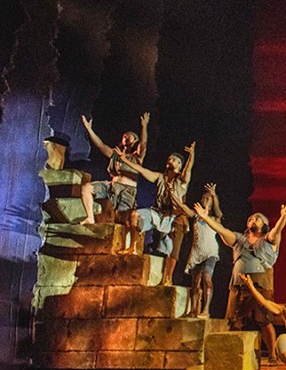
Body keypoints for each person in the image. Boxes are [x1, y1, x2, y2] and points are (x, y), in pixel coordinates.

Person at [194, 202, 286, 360]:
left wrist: (283, 217)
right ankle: (232, 354)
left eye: (257, 219)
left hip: (260, 285)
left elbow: (276, 231)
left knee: (264, 320)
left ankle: (272, 355)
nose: (252, 220)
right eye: (250, 219)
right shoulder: (239, 239)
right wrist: (205, 217)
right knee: (233, 320)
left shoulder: (268, 240)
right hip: (238, 285)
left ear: (264, 225)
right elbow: (221, 230)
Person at [115, 142, 194, 285]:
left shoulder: (181, 181)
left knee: (172, 249)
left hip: (174, 217)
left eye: (174, 159)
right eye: (169, 158)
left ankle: (168, 278)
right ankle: (132, 247)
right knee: (134, 215)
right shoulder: (159, 177)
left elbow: (188, 171)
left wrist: (191, 156)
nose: (170, 160)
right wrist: (124, 159)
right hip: (159, 212)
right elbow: (141, 170)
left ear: (179, 165)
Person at [79, 112, 148, 224]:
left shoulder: (137, 157)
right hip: (112, 186)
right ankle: (90, 218)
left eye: (129, 135)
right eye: (124, 136)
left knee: (121, 219)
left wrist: (144, 126)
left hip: (127, 190)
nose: (125, 136)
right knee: (87, 188)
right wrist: (89, 129)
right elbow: (100, 145)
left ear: (135, 141)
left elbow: (144, 143)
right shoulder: (115, 154)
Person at [172, 183, 221, 317]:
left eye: (208, 198)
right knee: (195, 281)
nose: (206, 199)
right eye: (204, 197)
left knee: (207, 277)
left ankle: (206, 310)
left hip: (210, 252)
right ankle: (193, 310)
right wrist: (172, 194)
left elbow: (218, 212)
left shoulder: (214, 218)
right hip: (197, 251)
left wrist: (214, 195)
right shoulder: (196, 216)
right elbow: (183, 207)